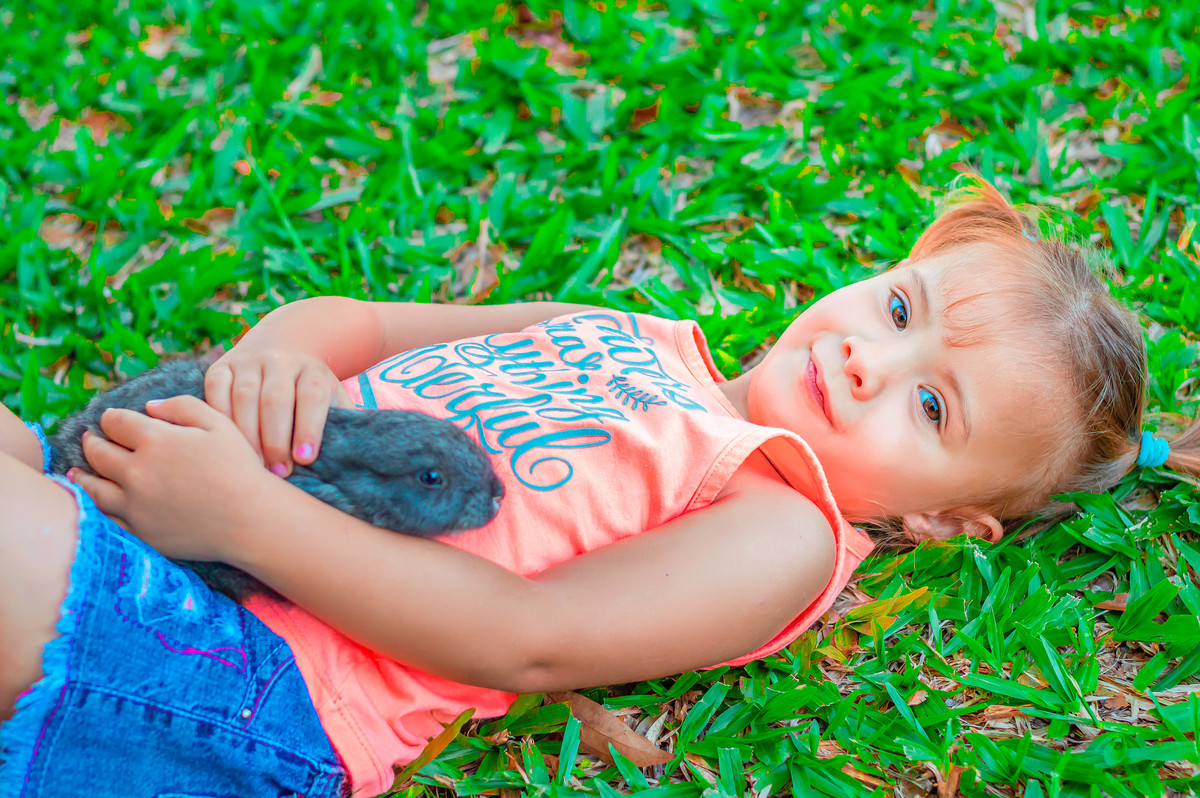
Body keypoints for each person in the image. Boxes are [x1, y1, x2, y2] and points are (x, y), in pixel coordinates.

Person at [1, 178, 1192, 797]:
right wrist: (276, 363)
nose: (870, 360)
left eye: (931, 408)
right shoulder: (630, 335)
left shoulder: (780, 520)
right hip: (167, 504)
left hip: (242, 671)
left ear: (940, 518)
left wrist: (247, 518)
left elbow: (529, 640)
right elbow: (356, 324)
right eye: (899, 309)